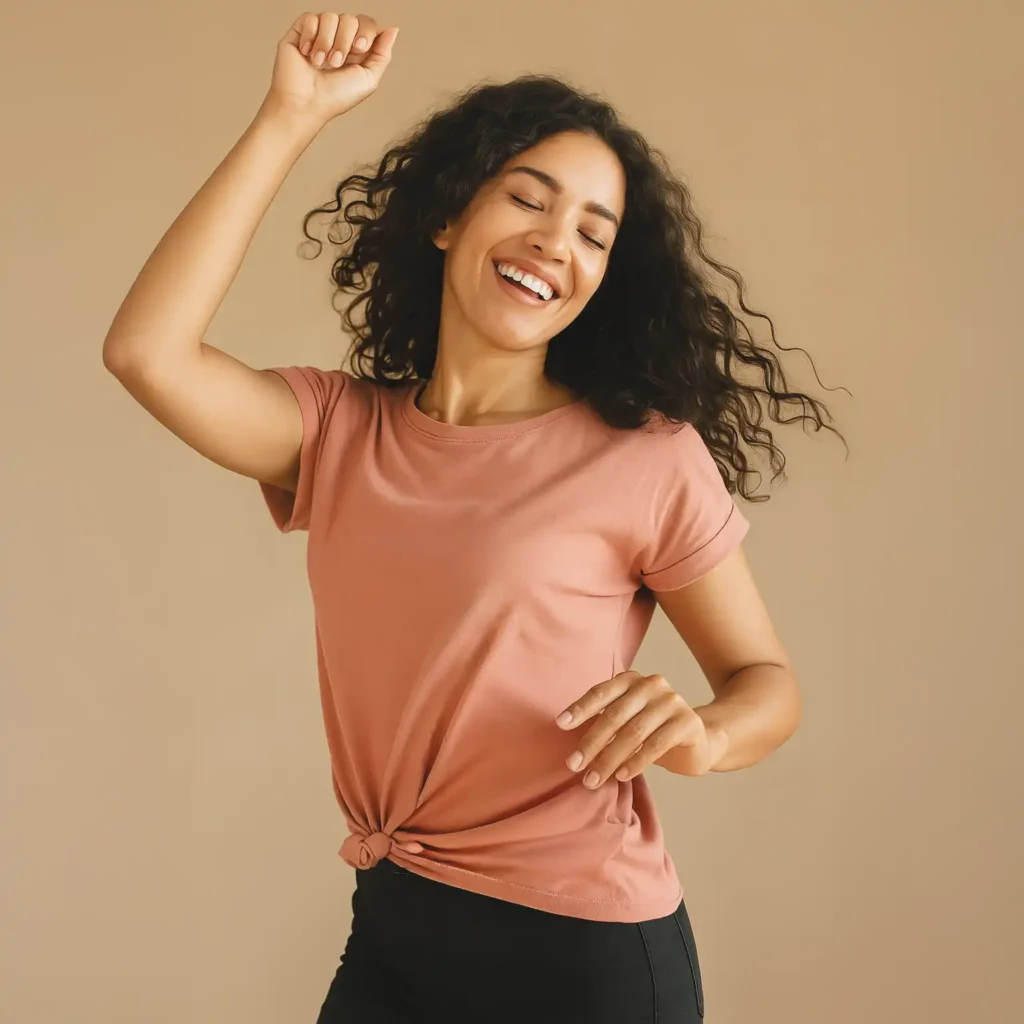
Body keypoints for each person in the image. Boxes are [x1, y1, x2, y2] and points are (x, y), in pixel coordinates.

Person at [102, 12, 846, 1023]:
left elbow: (768, 684)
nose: (555, 241)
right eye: (527, 199)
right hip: (396, 921)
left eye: (594, 231)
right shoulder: (338, 431)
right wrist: (291, 116)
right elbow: (147, 352)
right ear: (450, 215)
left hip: (584, 955)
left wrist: (702, 733)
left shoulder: (643, 456)